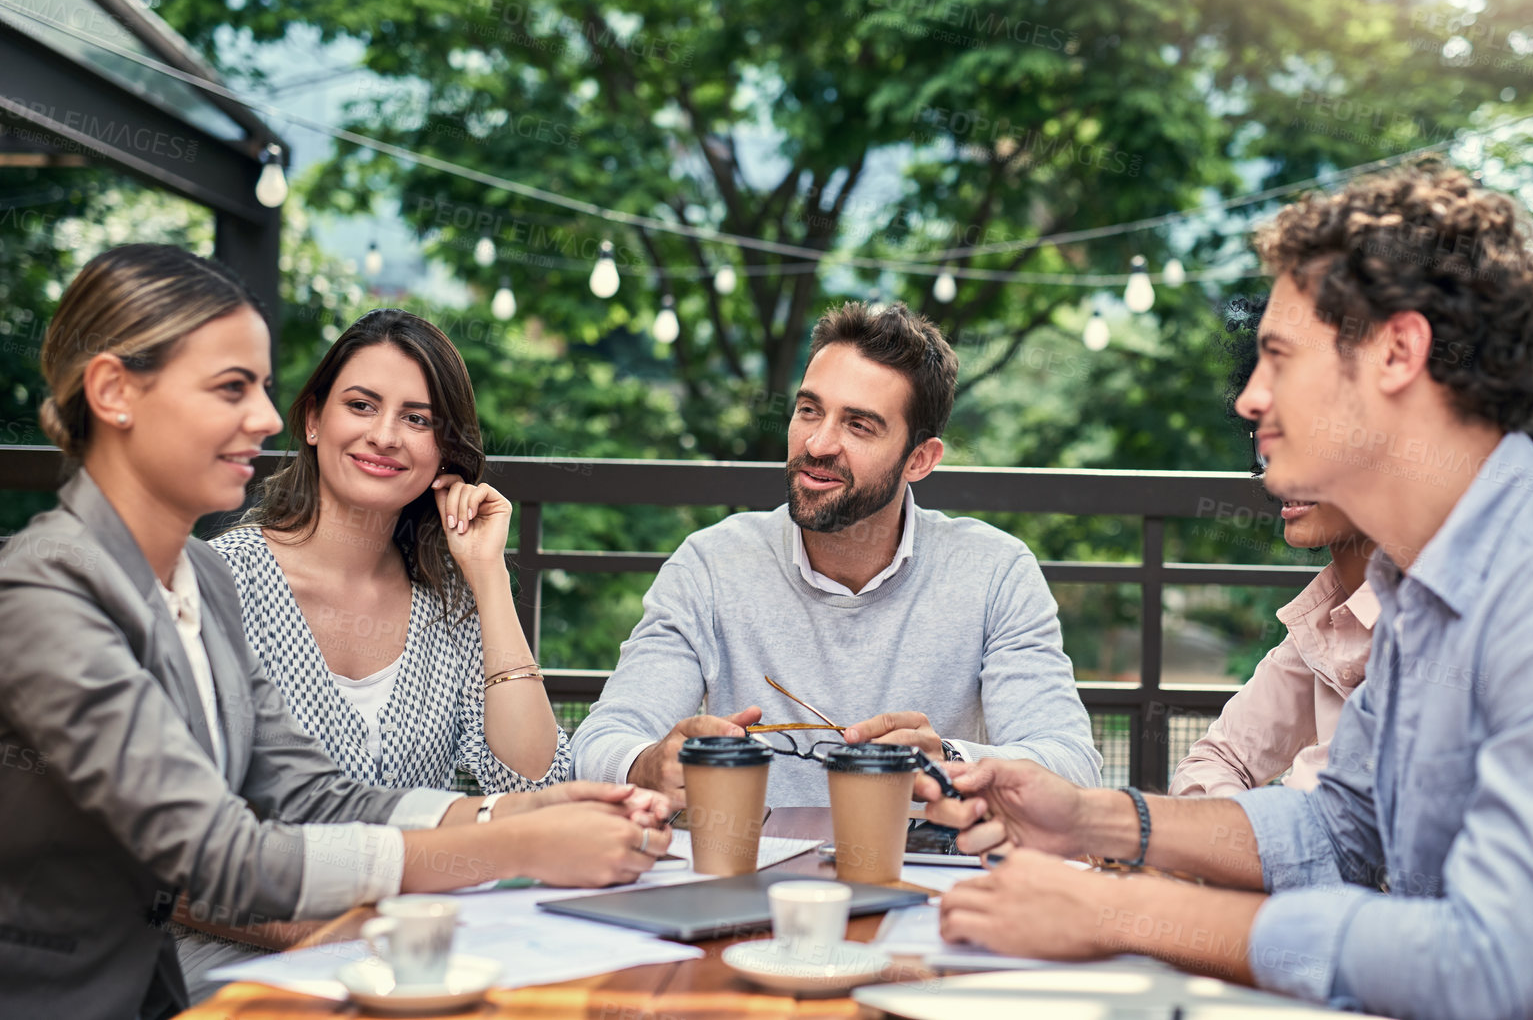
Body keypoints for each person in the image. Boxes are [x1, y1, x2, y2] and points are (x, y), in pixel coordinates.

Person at [916, 165, 1533, 1018]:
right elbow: (1338, 831)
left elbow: (1487, 966)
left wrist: (1124, 909)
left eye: (1277, 356)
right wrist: (1090, 818)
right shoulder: (1421, 582)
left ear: (1395, 351)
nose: (1248, 398)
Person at [0, 245, 671, 1020]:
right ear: (114, 391)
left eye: (260, 388)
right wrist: (513, 847)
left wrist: (520, 813)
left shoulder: (197, 579)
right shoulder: (45, 586)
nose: (262, 416)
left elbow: (310, 790)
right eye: (230, 388)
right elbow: (210, 855)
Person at [173, 309, 575, 998]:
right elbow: (173, 861)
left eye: (418, 419)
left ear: (445, 451)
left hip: (410, 962)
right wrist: (347, 936)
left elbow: (533, 788)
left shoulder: (449, 600)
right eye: (361, 405)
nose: (385, 435)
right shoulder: (219, 582)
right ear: (312, 420)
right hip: (236, 970)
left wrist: (488, 580)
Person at [569, 301, 1102, 806]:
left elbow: (1073, 764)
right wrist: (647, 764)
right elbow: (601, 740)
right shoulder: (711, 565)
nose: (818, 444)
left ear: (919, 459)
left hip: (928, 881)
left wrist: (951, 760)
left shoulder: (994, 572)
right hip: (749, 878)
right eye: (808, 411)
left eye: (858, 425)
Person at [1170, 299, 1379, 795]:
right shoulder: (1328, 616)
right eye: (1270, 444)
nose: (1280, 471)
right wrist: (1231, 833)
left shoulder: (1442, 614)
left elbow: (1331, 831)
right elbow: (1214, 761)